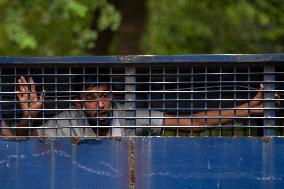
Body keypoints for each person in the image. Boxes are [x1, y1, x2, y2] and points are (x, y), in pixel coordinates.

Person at [1, 75, 279, 140]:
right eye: (91, 98)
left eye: (105, 96)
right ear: (77, 102)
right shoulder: (67, 120)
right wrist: (28, 118)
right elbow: (19, 144)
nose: (101, 104)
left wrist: (246, 109)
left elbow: (191, 123)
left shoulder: (127, 114)